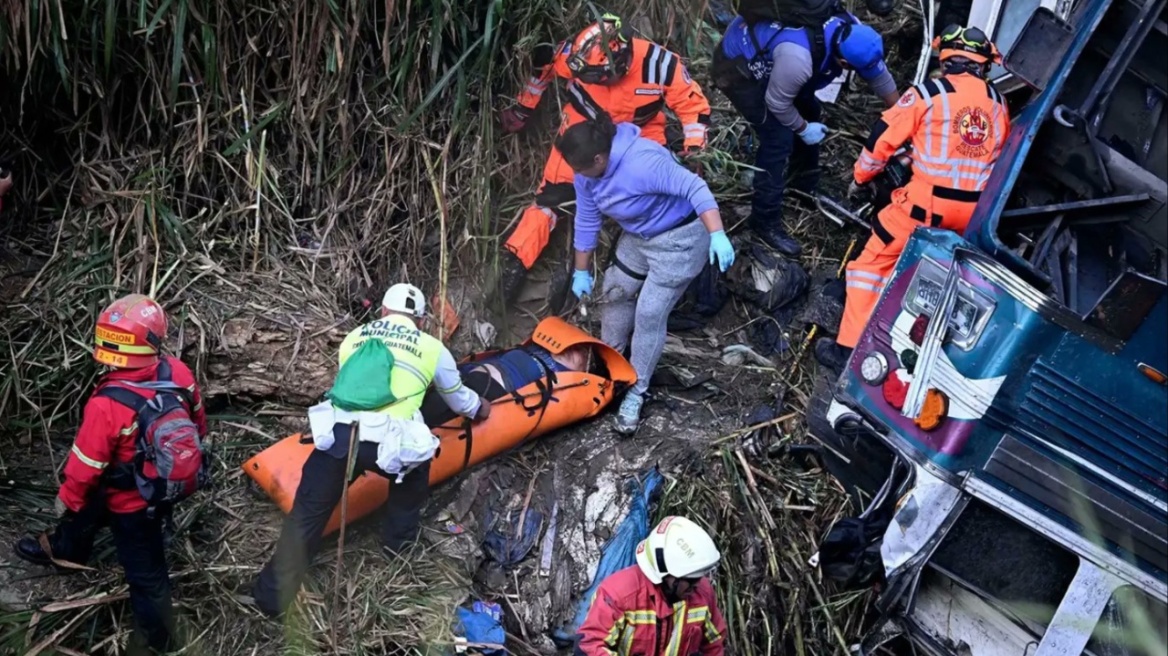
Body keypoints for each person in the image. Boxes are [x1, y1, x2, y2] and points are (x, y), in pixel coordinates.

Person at [251, 283, 491, 618]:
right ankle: (397, 555)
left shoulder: (355, 338)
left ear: (382, 312)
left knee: (306, 516)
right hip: (393, 445)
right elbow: (457, 398)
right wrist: (481, 408)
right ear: (420, 320)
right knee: (411, 484)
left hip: (339, 436)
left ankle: (269, 599)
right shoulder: (432, 347)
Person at [13, 294, 208, 655]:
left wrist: (68, 498)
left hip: (130, 504)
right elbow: (198, 424)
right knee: (87, 517)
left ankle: (158, 642)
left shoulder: (107, 403)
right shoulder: (177, 372)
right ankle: (65, 550)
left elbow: (86, 466)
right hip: (158, 488)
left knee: (145, 576)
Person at [816, 25, 1011, 370]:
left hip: (924, 208)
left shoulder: (928, 93)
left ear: (946, 59)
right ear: (983, 64)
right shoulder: (999, 104)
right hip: (973, 219)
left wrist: (862, 176)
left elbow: (882, 139)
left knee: (868, 268)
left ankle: (847, 351)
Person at [494, 14, 712, 306]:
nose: (591, 81)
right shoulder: (575, 54)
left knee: (653, 198)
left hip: (641, 135)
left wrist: (695, 147)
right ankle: (514, 266)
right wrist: (523, 110)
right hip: (584, 132)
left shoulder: (659, 65)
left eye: (597, 77)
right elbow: (542, 69)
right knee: (550, 198)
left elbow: (692, 105)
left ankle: (651, 262)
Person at [561, 115, 735, 434]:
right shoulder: (586, 176)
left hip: (679, 238)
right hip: (639, 236)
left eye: (581, 168)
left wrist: (717, 234)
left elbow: (694, 187)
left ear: (599, 158)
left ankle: (636, 391)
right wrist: (581, 272)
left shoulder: (642, 162)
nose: (578, 175)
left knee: (650, 313)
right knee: (614, 292)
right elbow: (586, 221)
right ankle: (609, 359)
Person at [713, 10, 900, 257]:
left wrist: (901, 117)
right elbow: (777, 104)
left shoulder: (852, 28)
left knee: (810, 109)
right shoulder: (798, 60)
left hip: (779, 62)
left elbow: (879, 76)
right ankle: (764, 220)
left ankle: (803, 183)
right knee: (778, 138)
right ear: (843, 63)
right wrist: (802, 129)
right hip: (738, 68)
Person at [574, 516, 728, 655]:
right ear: (667, 574)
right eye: (690, 580)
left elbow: (714, 643)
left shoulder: (702, 593)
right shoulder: (619, 594)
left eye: (698, 578)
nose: (696, 586)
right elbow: (589, 646)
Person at [419, 343, 595, 427]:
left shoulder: (566, 379)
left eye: (584, 356)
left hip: (494, 394)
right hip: (474, 378)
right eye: (577, 347)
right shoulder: (537, 348)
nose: (577, 351)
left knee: (433, 422)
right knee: (423, 412)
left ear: (583, 369)